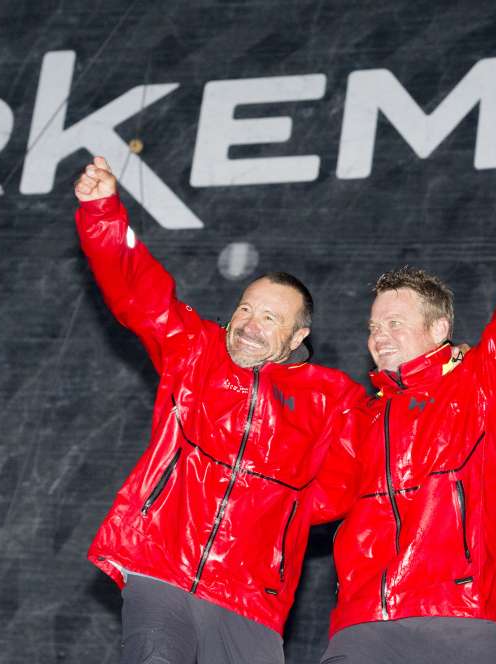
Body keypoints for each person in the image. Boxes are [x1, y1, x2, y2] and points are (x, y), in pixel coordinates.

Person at [73, 156, 367, 664]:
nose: (251, 324)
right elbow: (136, 291)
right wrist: (102, 212)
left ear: (298, 337)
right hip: (160, 563)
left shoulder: (332, 396)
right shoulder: (195, 349)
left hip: (251, 594)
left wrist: (270, 515)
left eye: (270, 318)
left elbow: (337, 491)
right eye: (246, 309)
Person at [313, 135, 496, 664]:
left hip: (458, 613)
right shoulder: (359, 417)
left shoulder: (482, 383)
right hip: (362, 620)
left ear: (440, 329)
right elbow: (312, 500)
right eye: (372, 326)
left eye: (395, 323)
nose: (378, 335)